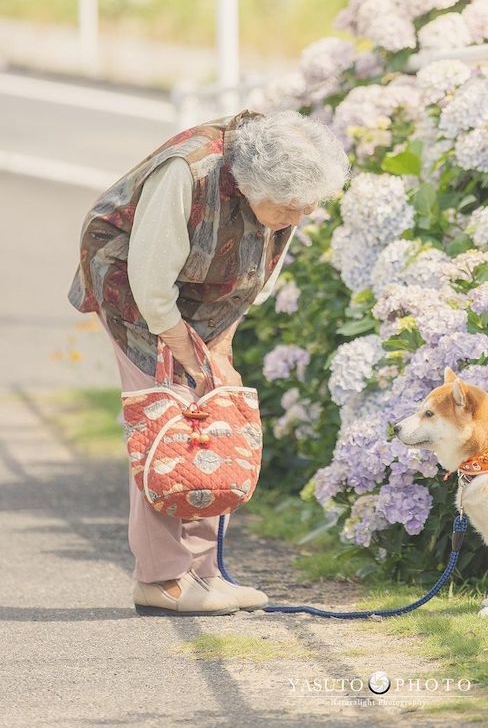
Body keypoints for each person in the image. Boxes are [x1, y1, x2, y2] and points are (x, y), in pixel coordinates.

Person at [69, 108, 349, 616]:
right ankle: (161, 578)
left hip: (201, 296)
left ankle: (204, 571)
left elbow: (252, 280)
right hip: (133, 291)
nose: (299, 216)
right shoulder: (188, 171)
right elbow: (151, 285)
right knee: (168, 420)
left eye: (307, 206)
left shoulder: (278, 195)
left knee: (217, 413)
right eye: (289, 206)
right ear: (249, 184)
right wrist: (183, 350)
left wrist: (218, 346)